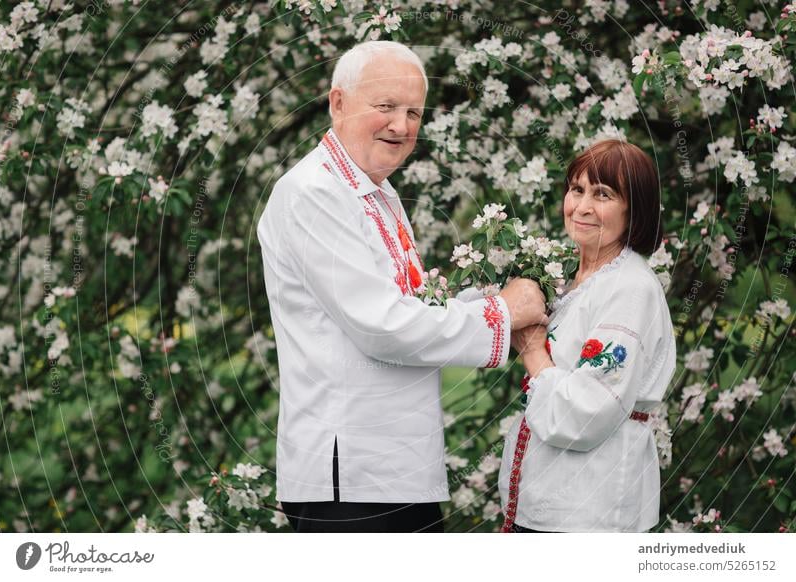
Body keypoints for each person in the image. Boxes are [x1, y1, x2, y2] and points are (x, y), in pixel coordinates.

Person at [256, 40, 547, 533]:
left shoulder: (377, 190)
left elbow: (404, 306)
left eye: (413, 111)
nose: (401, 125)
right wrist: (501, 313)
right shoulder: (313, 193)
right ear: (338, 102)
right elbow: (384, 327)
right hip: (350, 480)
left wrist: (490, 299)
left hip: (394, 468)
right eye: (385, 106)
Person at [499, 139, 676, 533]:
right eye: (576, 189)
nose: (581, 207)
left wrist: (531, 350)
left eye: (603, 194)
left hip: (590, 506)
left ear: (634, 209)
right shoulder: (565, 276)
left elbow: (587, 412)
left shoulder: (630, 289)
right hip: (551, 496)